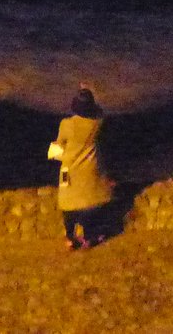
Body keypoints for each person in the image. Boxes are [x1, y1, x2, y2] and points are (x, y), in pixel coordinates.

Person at [48, 85, 115, 249]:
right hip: (88, 168)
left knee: (67, 203)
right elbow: (101, 112)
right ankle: (89, 236)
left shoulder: (66, 124)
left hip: (68, 169)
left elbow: (58, 145)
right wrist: (90, 93)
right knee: (90, 202)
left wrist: (56, 154)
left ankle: (70, 237)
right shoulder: (96, 123)